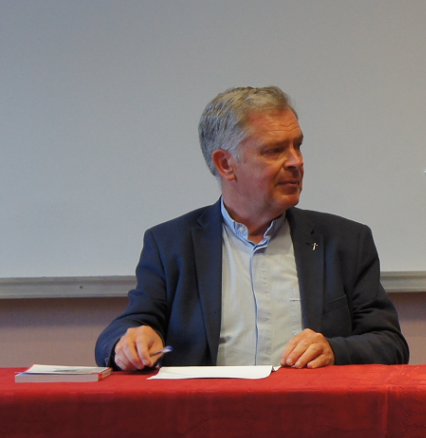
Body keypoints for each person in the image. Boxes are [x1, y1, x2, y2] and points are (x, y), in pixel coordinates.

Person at [96, 86, 408, 370]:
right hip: (206, 421)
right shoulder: (171, 244)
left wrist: (335, 350)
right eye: (274, 150)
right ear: (225, 164)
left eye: (297, 146)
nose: (296, 162)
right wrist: (130, 342)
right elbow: (127, 328)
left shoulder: (344, 242)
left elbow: (390, 344)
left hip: (312, 417)